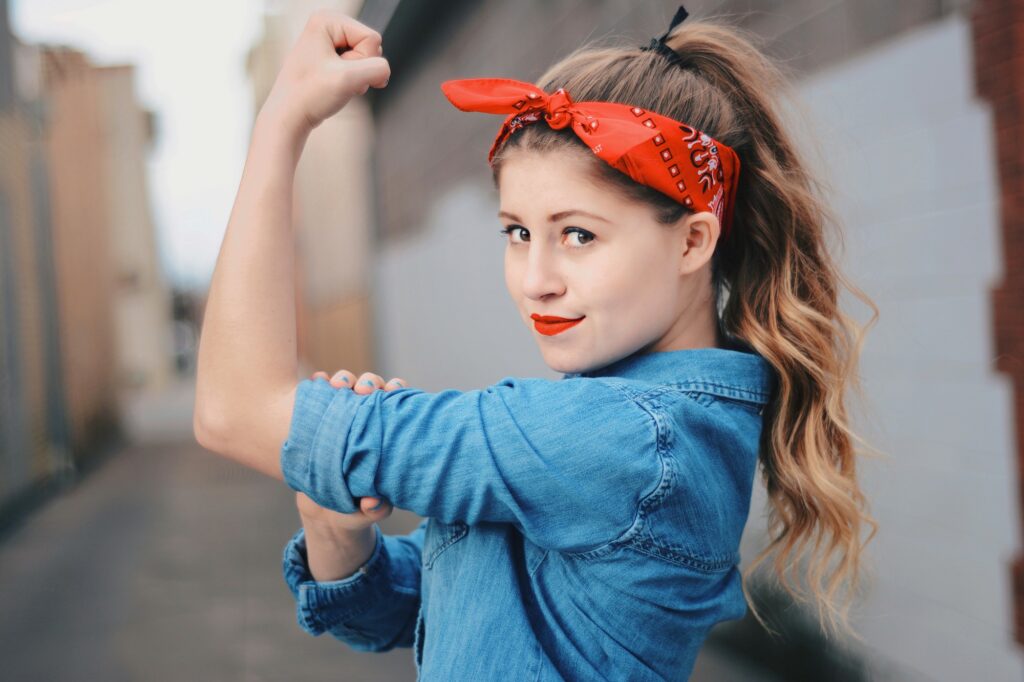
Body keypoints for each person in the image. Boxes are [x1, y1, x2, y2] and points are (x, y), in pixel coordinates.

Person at [193, 5, 879, 680]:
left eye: (578, 234)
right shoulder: (627, 423)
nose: (536, 281)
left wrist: (282, 124)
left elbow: (232, 410)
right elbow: (410, 614)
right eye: (517, 233)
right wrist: (337, 527)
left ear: (693, 240)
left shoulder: (625, 440)